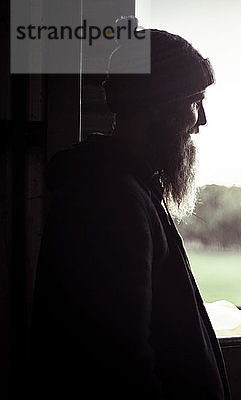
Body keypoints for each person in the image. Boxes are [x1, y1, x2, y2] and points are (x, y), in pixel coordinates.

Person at [28, 27, 230, 399]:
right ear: (160, 105)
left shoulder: (128, 186)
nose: (202, 121)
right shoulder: (108, 197)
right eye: (195, 101)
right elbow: (118, 363)